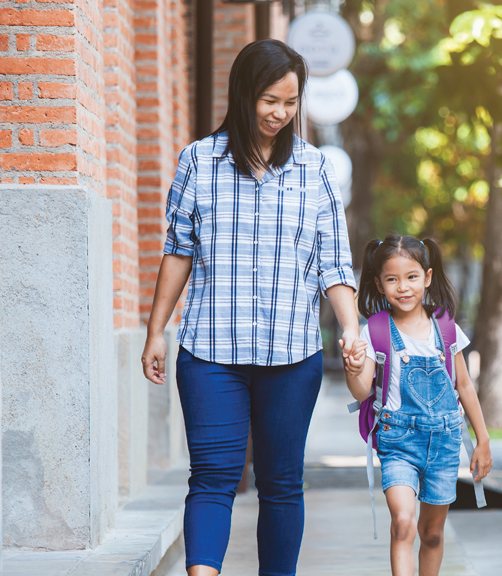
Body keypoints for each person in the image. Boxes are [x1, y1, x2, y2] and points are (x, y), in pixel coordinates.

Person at [140, 39, 361, 576]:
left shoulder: (314, 170)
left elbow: (335, 264)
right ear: (243, 94)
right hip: (211, 352)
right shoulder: (198, 161)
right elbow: (179, 253)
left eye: (290, 103)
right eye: (269, 100)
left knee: (282, 483)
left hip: (292, 355)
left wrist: (352, 329)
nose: (280, 114)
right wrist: (156, 331)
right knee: (213, 476)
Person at [342, 234, 493, 576]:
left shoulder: (445, 326)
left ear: (426, 277)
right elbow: (362, 391)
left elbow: (464, 386)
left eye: (411, 277)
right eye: (392, 279)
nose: (403, 287)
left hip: (444, 442)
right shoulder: (375, 331)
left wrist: (482, 440)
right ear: (379, 284)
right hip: (398, 442)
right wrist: (353, 369)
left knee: (432, 534)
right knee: (404, 523)